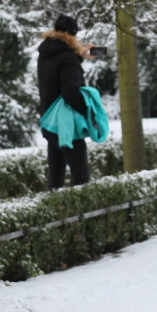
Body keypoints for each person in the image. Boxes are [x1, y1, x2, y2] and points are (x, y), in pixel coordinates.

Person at [37, 14, 95, 189]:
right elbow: (71, 94)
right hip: (67, 124)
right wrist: (88, 110)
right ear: (73, 34)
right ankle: (82, 216)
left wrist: (78, 57)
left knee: (55, 180)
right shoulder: (67, 57)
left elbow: (56, 75)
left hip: (50, 122)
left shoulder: (45, 52)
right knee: (81, 179)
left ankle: (54, 214)